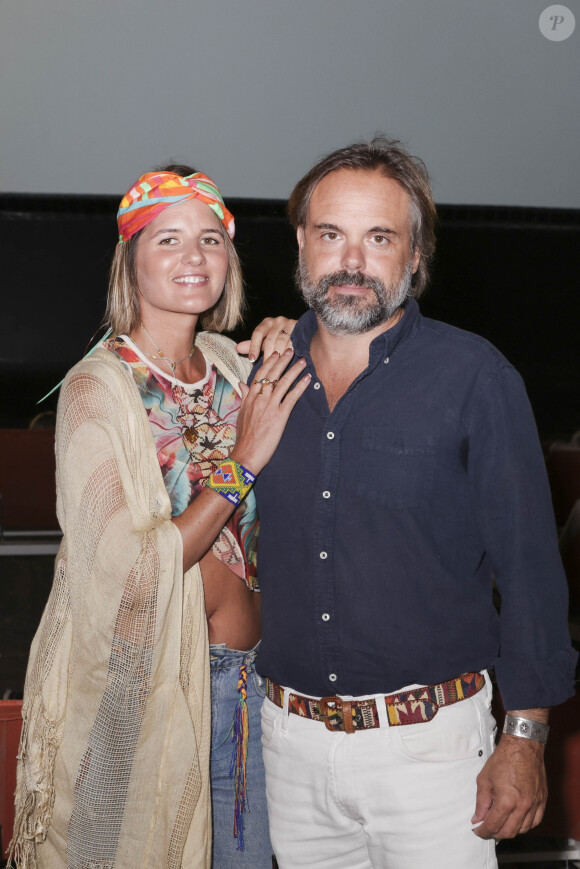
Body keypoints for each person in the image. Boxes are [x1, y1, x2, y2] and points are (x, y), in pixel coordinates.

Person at [252, 137, 578, 869]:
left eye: (379, 238)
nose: (352, 262)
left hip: (433, 756)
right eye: (331, 235)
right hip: (290, 751)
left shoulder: (475, 378)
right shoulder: (257, 376)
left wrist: (524, 737)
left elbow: (530, 571)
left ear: (416, 257)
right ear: (302, 244)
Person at [9, 165, 309, 869]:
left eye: (210, 239)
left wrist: (301, 336)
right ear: (131, 260)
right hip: (157, 693)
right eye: (168, 239)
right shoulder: (97, 388)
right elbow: (123, 567)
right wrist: (242, 462)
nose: (193, 256)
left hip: (257, 686)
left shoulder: (232, 366)